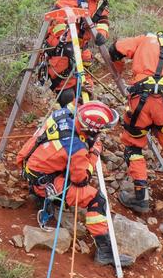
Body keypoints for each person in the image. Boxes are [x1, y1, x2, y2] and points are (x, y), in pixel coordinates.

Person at [16, 100, 134, 267]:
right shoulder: (76, 148)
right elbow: (81, 179)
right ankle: (104, 251)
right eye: (101, 130)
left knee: (63, 167)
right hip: (45, 183)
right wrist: (93, 153)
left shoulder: (63, 115)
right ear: (92, 130)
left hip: (31, 166)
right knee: (96, 200)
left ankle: (40, 196)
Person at [107, 19, 163, 212]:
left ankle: (141, 195)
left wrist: (119, 70)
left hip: (139, 101)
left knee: (133, 146)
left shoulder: (147, 39)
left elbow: (115, 49)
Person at [43, 0, 130, 107]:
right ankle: (69, 121)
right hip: (62, 50)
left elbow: (102, 18)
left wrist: (101, 33)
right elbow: (58, 18)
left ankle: (83, 119)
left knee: (86, 90)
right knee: (67, 93)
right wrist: (66, 43)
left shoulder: (101, 0)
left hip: (81, 49)